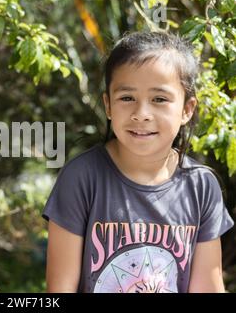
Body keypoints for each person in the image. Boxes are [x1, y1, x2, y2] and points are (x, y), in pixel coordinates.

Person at [43, 31, 234, 293]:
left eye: (159, 99)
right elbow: (60, 289)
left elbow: (208, 288)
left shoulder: (201, 186)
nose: (141, 114)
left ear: (187, 109)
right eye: (127, 98)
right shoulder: (82, 177)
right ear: (108, 105)